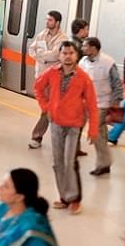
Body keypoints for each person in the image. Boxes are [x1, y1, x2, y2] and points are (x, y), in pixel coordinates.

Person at [35, 41, 98, 214]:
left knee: (69, 161)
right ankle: (64, 197)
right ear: (60, 55)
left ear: (76, 56)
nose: (68, 56)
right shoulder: (52, 73)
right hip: (55, 123)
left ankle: (75, 198)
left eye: (71, 53)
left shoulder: (83, 77)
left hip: (74, 126)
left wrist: (93, 130)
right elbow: (38, 87)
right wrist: (45, 106)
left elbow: (92, 104)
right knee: (58, 163)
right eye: (64, 53)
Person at [79, 37, 123, 176]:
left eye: (85, 46)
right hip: (87, 102)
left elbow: (116, 83)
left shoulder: (107, 62)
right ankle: (105, 164)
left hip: (102, 103)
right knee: (101, 134)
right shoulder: (83, 62)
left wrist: (116, 102)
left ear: (93, 48)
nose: (82, 48)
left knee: (96, 133)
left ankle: (104, 163)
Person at [27, 10, 68, 149]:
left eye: (50, 20)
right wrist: (43, 56)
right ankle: (66, 138)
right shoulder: (41, 34)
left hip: (54, 79)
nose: (47, 22)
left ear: (57, 23)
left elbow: (55, 55)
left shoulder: (63, 39)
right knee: (52, 109)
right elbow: (31, 50)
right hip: (40, 77)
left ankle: (36, 136)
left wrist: (41, 55)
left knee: (48, 108)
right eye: (47, 19)